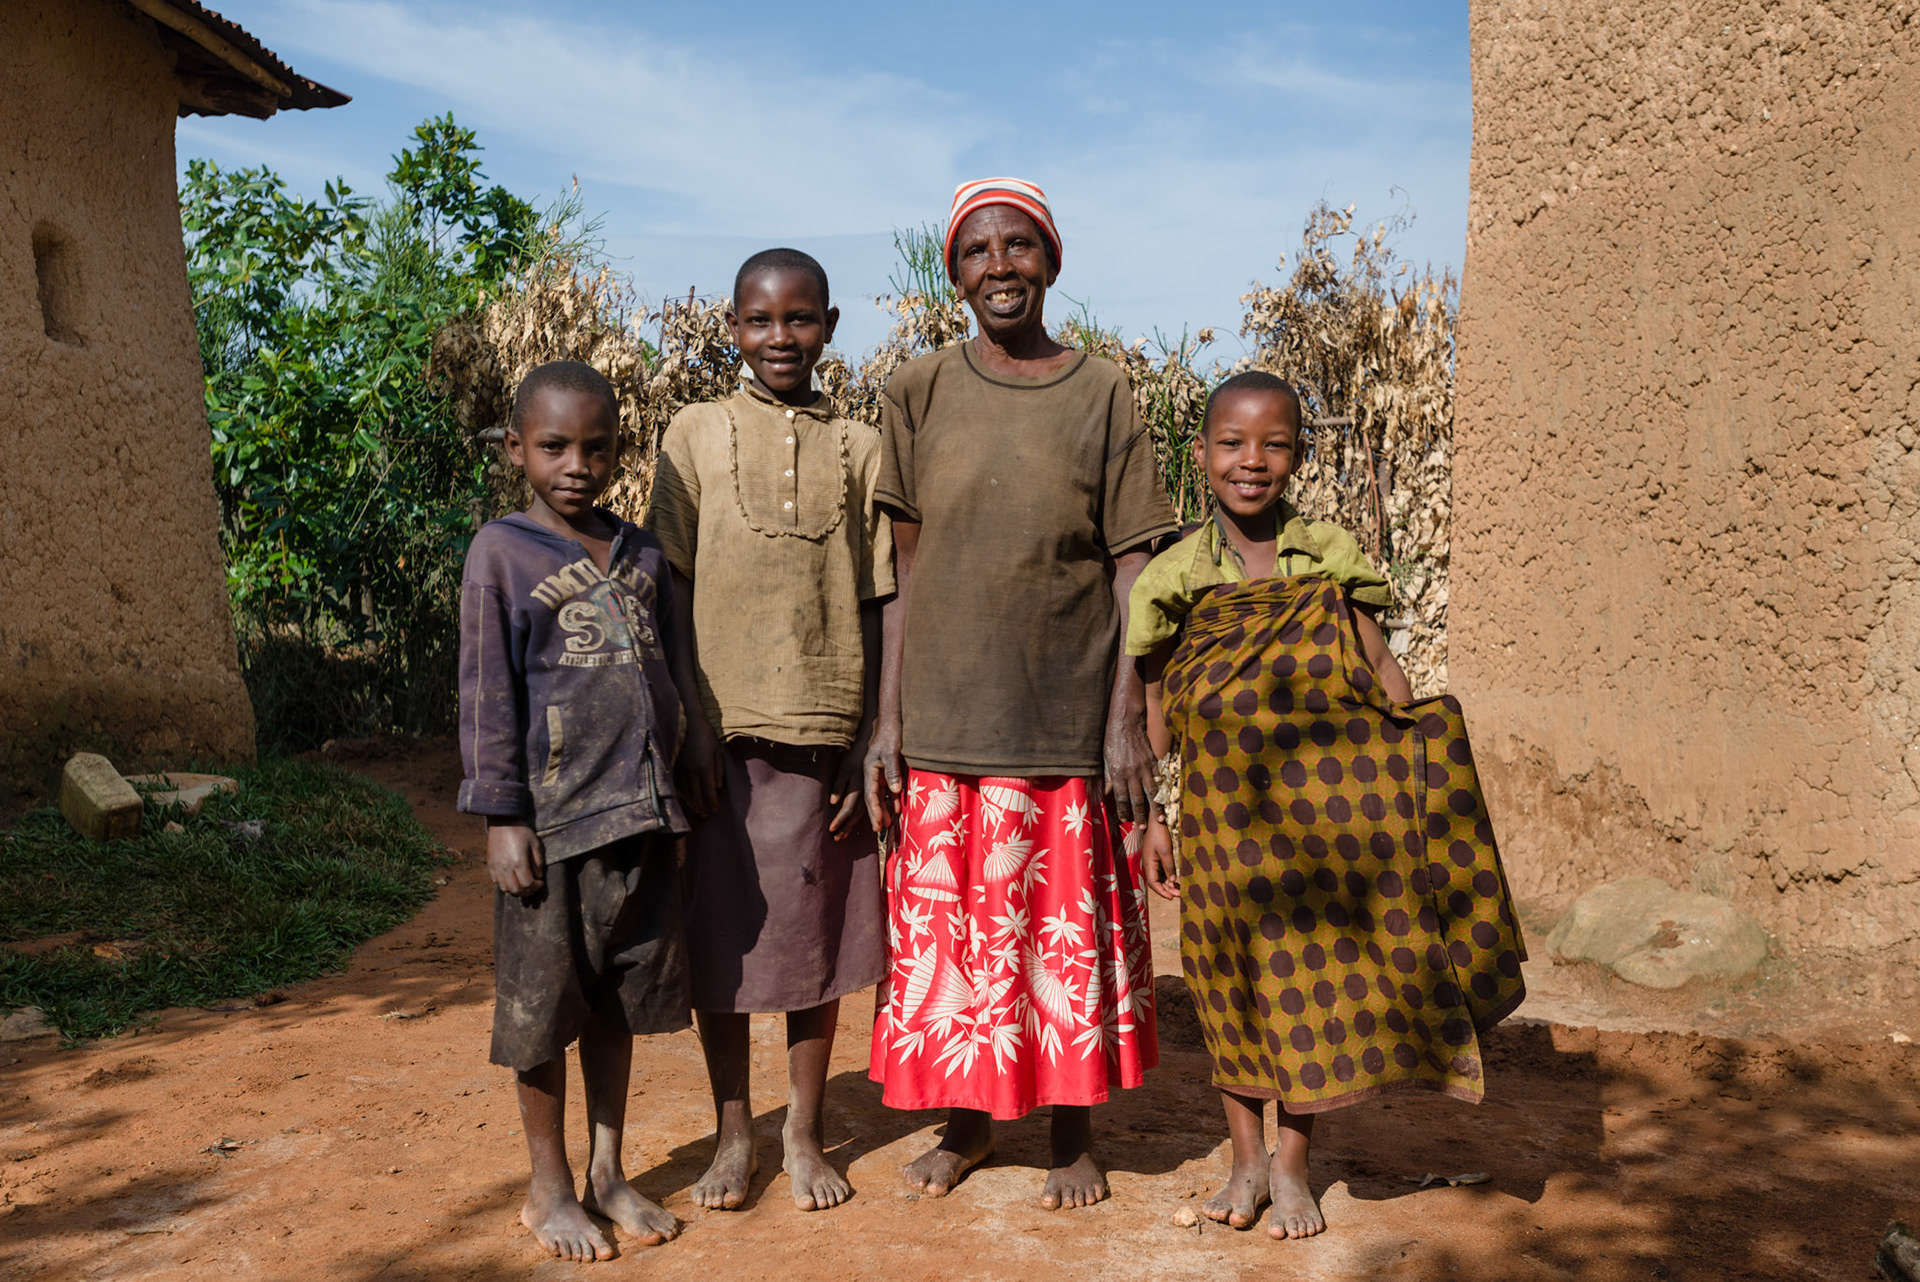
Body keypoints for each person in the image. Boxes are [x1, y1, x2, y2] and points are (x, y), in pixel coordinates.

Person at [1130, 371, 1528, 1240]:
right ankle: (1243, 1163)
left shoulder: (1327, 559)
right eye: (1232, 443)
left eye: (1274, 444)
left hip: (1322, 827)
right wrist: (1151, 815)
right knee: (1228, 984)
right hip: (1220, 824)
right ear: (1201, 456)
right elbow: (1154, 712)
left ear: (1299, 457)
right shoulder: (1172, 578)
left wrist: (1414, 761)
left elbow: (1382, 675)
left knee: (1311, 988)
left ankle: (1294, 1163)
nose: (1252, 461)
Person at [863, 177, 1177, 1210]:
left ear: (1051, 260)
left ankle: (1071, 1133)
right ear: (954, 273)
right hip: (950, 714)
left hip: (1063, 713)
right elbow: (904, 571)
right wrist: (888, 722)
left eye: (1019, 247)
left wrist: (1126, 715)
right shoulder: (916, 390)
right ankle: (962, 1125)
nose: (1000, 267)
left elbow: (1135, 566)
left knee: (1058, 938)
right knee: (961, 940)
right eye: (977, 252)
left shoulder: (1103, 394)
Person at [645, 248, 892, 1213]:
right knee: (722, 940)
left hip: (825, 733)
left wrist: (869, 729)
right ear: (733, 328)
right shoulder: (697, 433)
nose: (779, 337)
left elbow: (879, 597)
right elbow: (671, 582)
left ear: (829, 325)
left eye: (799, 319)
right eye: (759, 320)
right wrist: (690, 721)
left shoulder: (863, 447)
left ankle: (804, 1130)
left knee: (813, 939)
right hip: (720, 735)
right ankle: (731, 1131)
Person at [456, 360, 691, 1263]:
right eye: (554, 446)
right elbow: (487, 692)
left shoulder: (642, 554)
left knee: (619, 1005)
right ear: (518, 448)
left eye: (597, 447)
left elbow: (668, 669)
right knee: (544, 1009)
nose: (576, 464)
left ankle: (609, 1170)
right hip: (552, 828)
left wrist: (686, 759)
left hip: (641, 814)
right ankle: (547, 1188)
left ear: (618, 449)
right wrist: (501, 813)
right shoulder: (502, 553)